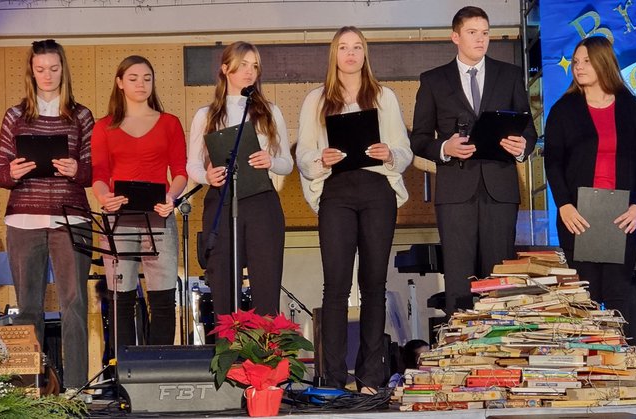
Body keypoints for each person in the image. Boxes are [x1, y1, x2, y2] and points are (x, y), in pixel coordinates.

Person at [296, 26, 413, 392]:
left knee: (374, 284)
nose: (351, 53)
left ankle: (370, 378)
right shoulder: (316, 99)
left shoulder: (385, 97)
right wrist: (322, 157)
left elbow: (405, 151)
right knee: (336, 286)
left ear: (365, 53)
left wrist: (389, 154)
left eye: (357, 47)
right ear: (334, 54)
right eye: (343, 47)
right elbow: (302, 156)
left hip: (377, 189)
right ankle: (332, 377)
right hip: (337, 191)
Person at [410, 6, 537, 316]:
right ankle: (459, 356)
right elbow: (419, 139)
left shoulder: (508, 75)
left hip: (500, 189)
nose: (481, 39)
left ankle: (498, 355)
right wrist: (445, 148)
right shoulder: (434, 80)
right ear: (455, 37)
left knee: (499, 279)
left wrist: (521, 147)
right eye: (472, 33)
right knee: (459, 279)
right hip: (456, 192)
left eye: (485, 33)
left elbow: (529, 131)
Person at [0, 39, 94, 393]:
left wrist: (76, 169)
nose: (47, 75)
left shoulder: (81, 115)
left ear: (63, 70)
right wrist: (15, 172)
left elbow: (92, 170)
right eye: (40, 69)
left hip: (72, 218)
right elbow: (1, 173)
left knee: (74, 304)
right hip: (23, 220)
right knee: (28, 308)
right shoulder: (15, 115)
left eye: (53, 68)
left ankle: (78, 387)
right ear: (31, 72)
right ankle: (32, 388)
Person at [543, 36, 636, 347]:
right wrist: (564, 205)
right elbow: (552, 162)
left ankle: (628, 360)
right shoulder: (563, 110)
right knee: (584, 291)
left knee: (620, 289)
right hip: (579, 213)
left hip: (621, 213)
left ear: (604, 63)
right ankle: (586, 363)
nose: (579, 67)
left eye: (586, 61)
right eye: (576, 62)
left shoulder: (633, 109)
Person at [187, 42, 292, 316]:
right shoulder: (206, 115)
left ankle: (267, 354)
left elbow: (287, 164)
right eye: (243, 65)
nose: (249, 72)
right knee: (223, 283)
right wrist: (208, 176)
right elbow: (193, 165)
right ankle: (229, 352)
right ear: (225, 68)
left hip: (261, 200)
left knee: (266, 283)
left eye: (254, 66)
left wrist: (271, 161)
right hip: (221, 202)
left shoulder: (270, 111)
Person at [91, 55, 187, 349]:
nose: (141, 84)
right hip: (119, 219)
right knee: (121, 300)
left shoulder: (169, 123)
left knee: (162, 299)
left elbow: (180, 171)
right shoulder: (104, 126)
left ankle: (160, 369)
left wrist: (172, 196)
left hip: (159, 216)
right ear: (120, 83)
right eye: (133, 78)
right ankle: (123, 373)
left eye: (147, 78)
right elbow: (99, 174)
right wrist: (104, 197)